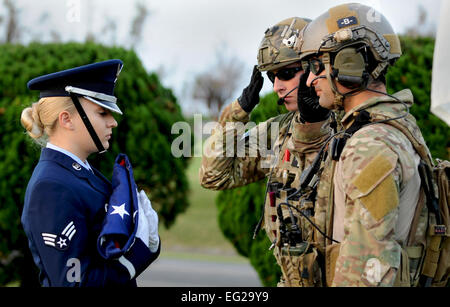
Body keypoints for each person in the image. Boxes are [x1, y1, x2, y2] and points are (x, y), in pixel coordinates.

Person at [295, 3, 433, 286]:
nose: (309, 80)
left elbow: (368, 266)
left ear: (349, 64)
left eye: (316, 66)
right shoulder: (386, 129)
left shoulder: (369, 144)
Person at [199, 17, 331, 286]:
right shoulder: (279, 133)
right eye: (272, 77)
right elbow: (213, 176)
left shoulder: (351, 130)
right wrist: (237, 114)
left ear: (313, 66)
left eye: (285, 74)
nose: (277, 87)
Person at [21, 59, 160, 287]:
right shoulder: (51, 186)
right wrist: (136, 256)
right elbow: (75, 282)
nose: (113, 122)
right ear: (67, 120)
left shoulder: (80, 172)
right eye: (102, 112)